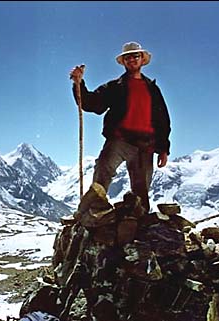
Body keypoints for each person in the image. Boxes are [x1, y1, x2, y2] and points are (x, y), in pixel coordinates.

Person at [69, 41, 171, 212]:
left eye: (135, 56)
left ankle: (139, 225)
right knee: (103, 169)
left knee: (142, 190)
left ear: (141, 60)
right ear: (124, 62)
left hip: (146, 145)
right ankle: (93, 210)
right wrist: (79, 83)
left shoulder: (153, 89)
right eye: (128, 57)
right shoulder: (115, 87)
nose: (132, 60)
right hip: (120, 140)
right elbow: (91, 103)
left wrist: (163, 149)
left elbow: (163, 121)